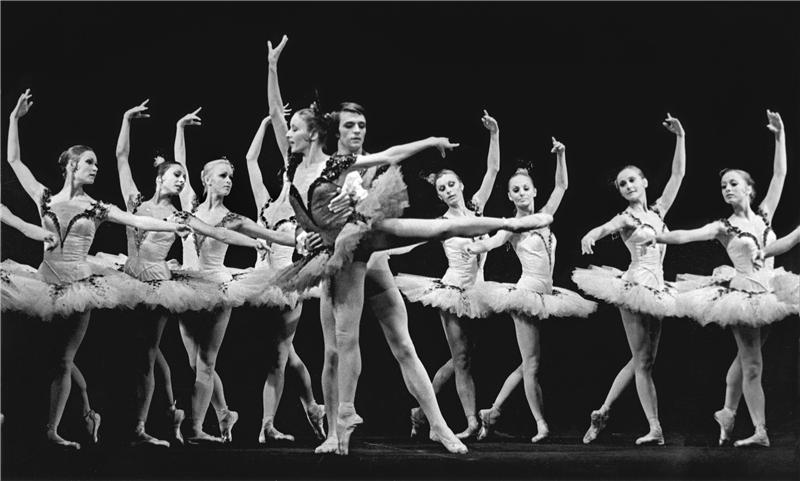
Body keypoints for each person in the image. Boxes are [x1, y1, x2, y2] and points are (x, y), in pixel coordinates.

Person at [265, 35, 546, 455]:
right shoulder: (306, 161)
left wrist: (428, 144)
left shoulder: (358, 166)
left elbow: (384, 179)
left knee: (403, 344)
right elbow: (280, 125)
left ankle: (439, 426)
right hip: (335, 259)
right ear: (331, 131)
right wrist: (272, 68)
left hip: (372, 258)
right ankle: (336, 431)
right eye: (350, 126)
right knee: (334, 350)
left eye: (362, 126)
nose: (357, 132)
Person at [1, 89, 190, 449]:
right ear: (72, 165)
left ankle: (52, 430)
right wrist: (13, 119)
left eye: (97, 163)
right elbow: (14, 161)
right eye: (90, 162)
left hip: (79, 285)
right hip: (42, 282)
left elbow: (135, 219)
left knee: (63, 359)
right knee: (42, 354)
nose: (95, 167)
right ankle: (87, 410)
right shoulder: (45, 197)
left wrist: (172, 225)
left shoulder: (97, 207)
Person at [101, 100, 269, 447]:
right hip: (130, 279)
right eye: (176, 175)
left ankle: (155, 424)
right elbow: (121, 157)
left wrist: (256, 242)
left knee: (160, 355)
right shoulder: (134, 203)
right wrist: (127, 120)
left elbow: (220, 233)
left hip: (162, 283)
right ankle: (177, 412)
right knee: (149, 353)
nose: (181, 180)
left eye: (183, 177)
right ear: (160, 177)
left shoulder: (181, 214)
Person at [645, 110, 791, 447]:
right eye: (723, 186)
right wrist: (659, 236)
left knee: (745, 358)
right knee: (752, 364)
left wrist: (779, 136)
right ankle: (760, 430)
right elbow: (687, 235)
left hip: (771, 293)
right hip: (744, 297)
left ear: (749, 189)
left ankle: (727, 412)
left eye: (733, 184)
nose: (727, 189)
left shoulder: (765, 214)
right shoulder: (724, 227)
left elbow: (779, 174)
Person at [173, 108, 295, 444]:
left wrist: (302, 241)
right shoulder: (189, 204)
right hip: (186, 286)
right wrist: (180, 128)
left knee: (206, 363)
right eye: (223, 175)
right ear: (207, 179)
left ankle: (197, 428)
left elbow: (274, 235)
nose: (229, 180)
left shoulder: (234, 218)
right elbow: (180, 164)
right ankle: (224, 412)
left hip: (218, 288)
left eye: (231, 176)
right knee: (193, 363)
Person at [465, 138, 597, 443]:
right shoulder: (512, 225)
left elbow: (561, 186)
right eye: (516, 190)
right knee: (533, 363)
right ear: (510, 196)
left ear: (534, 191)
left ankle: (492, 411)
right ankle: (541, 424)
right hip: (525, 295)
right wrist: (475, 246)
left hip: (547, 294)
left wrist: (562, 155)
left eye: (526, 188)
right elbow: (492, 242)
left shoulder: (545, 215)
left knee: (530, 362)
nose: (522, 192)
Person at [572, 113, 687, 445]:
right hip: (635, 287)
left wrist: (680, 137)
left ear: (644, 182)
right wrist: (590, 235)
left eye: (632, 180)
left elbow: (678, 174)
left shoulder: (658, 211)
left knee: (644, 360)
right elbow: (604, 228)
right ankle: (655, 428)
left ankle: (603, 411)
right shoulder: (625, 218)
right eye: (622, 184)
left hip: (658, 289)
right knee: (643, 361)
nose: (628, 186)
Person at [395, 109, 502, 440]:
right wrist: (381, 251)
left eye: (451, 184)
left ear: (461, 185)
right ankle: (470, 421)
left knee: (462, 358)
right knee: (462, 359)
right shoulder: (442, 223)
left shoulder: (477, 209)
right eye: (442, 188)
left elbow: (493, 170)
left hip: (479, 291)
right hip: (453, 290)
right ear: (439, 194)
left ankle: (420, 411)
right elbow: (411, 242)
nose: (448, 190)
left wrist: (494, 134)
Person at [245, 112, 326, 442]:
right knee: (286, 355)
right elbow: (250, 160)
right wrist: (266, 123)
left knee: (279, 357)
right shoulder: (264, 204)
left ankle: (268, 425)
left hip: (286, 283)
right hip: (258, 282)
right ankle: (312, 406)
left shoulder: (299, 209)